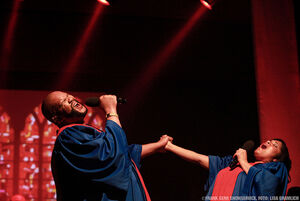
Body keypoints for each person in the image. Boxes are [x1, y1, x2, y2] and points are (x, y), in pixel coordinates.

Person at [41, 91, 173, 201]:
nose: (71, 99)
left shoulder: (80, 133)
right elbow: (111, 155)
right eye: (64, 101)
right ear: (57, 119)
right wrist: (111, 111)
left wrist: (158, 146)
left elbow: (124, 154)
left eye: (69, 96)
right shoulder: (68, 136)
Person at [166, 139, 291, 201]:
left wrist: (243, 162)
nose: (268, 141)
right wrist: (169, 146)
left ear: (276, 159)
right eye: (268, 140)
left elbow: (268, 187)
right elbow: (199, 159)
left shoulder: (276, 169)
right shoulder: (234, 165)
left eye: (274, 145)